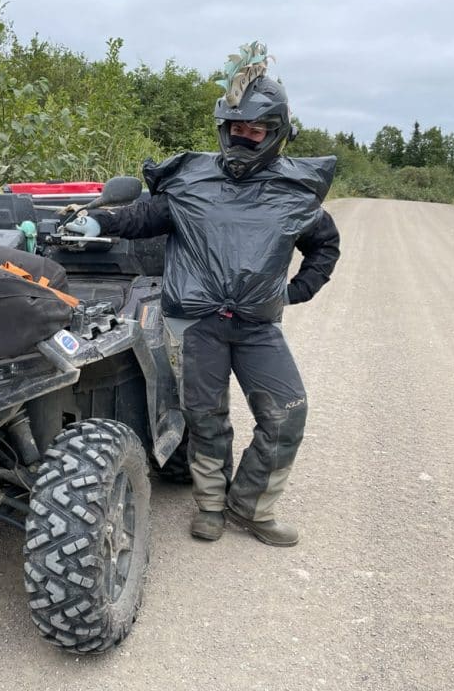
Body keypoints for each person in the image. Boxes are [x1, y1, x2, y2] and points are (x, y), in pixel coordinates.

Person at [65, 61, 340, 547]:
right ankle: (211, 506)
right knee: (205, 417)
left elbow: (324, 245)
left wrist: (297, 290)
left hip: (258, 326)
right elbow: (144, 216)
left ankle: (251, 506)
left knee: (287, 413)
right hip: (198, 324)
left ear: (276, 132)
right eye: (237, 127)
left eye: (256, 129)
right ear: (223, 128)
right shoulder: (191, 180)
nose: (245, 137)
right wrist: (99, 223)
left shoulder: (296, 192)